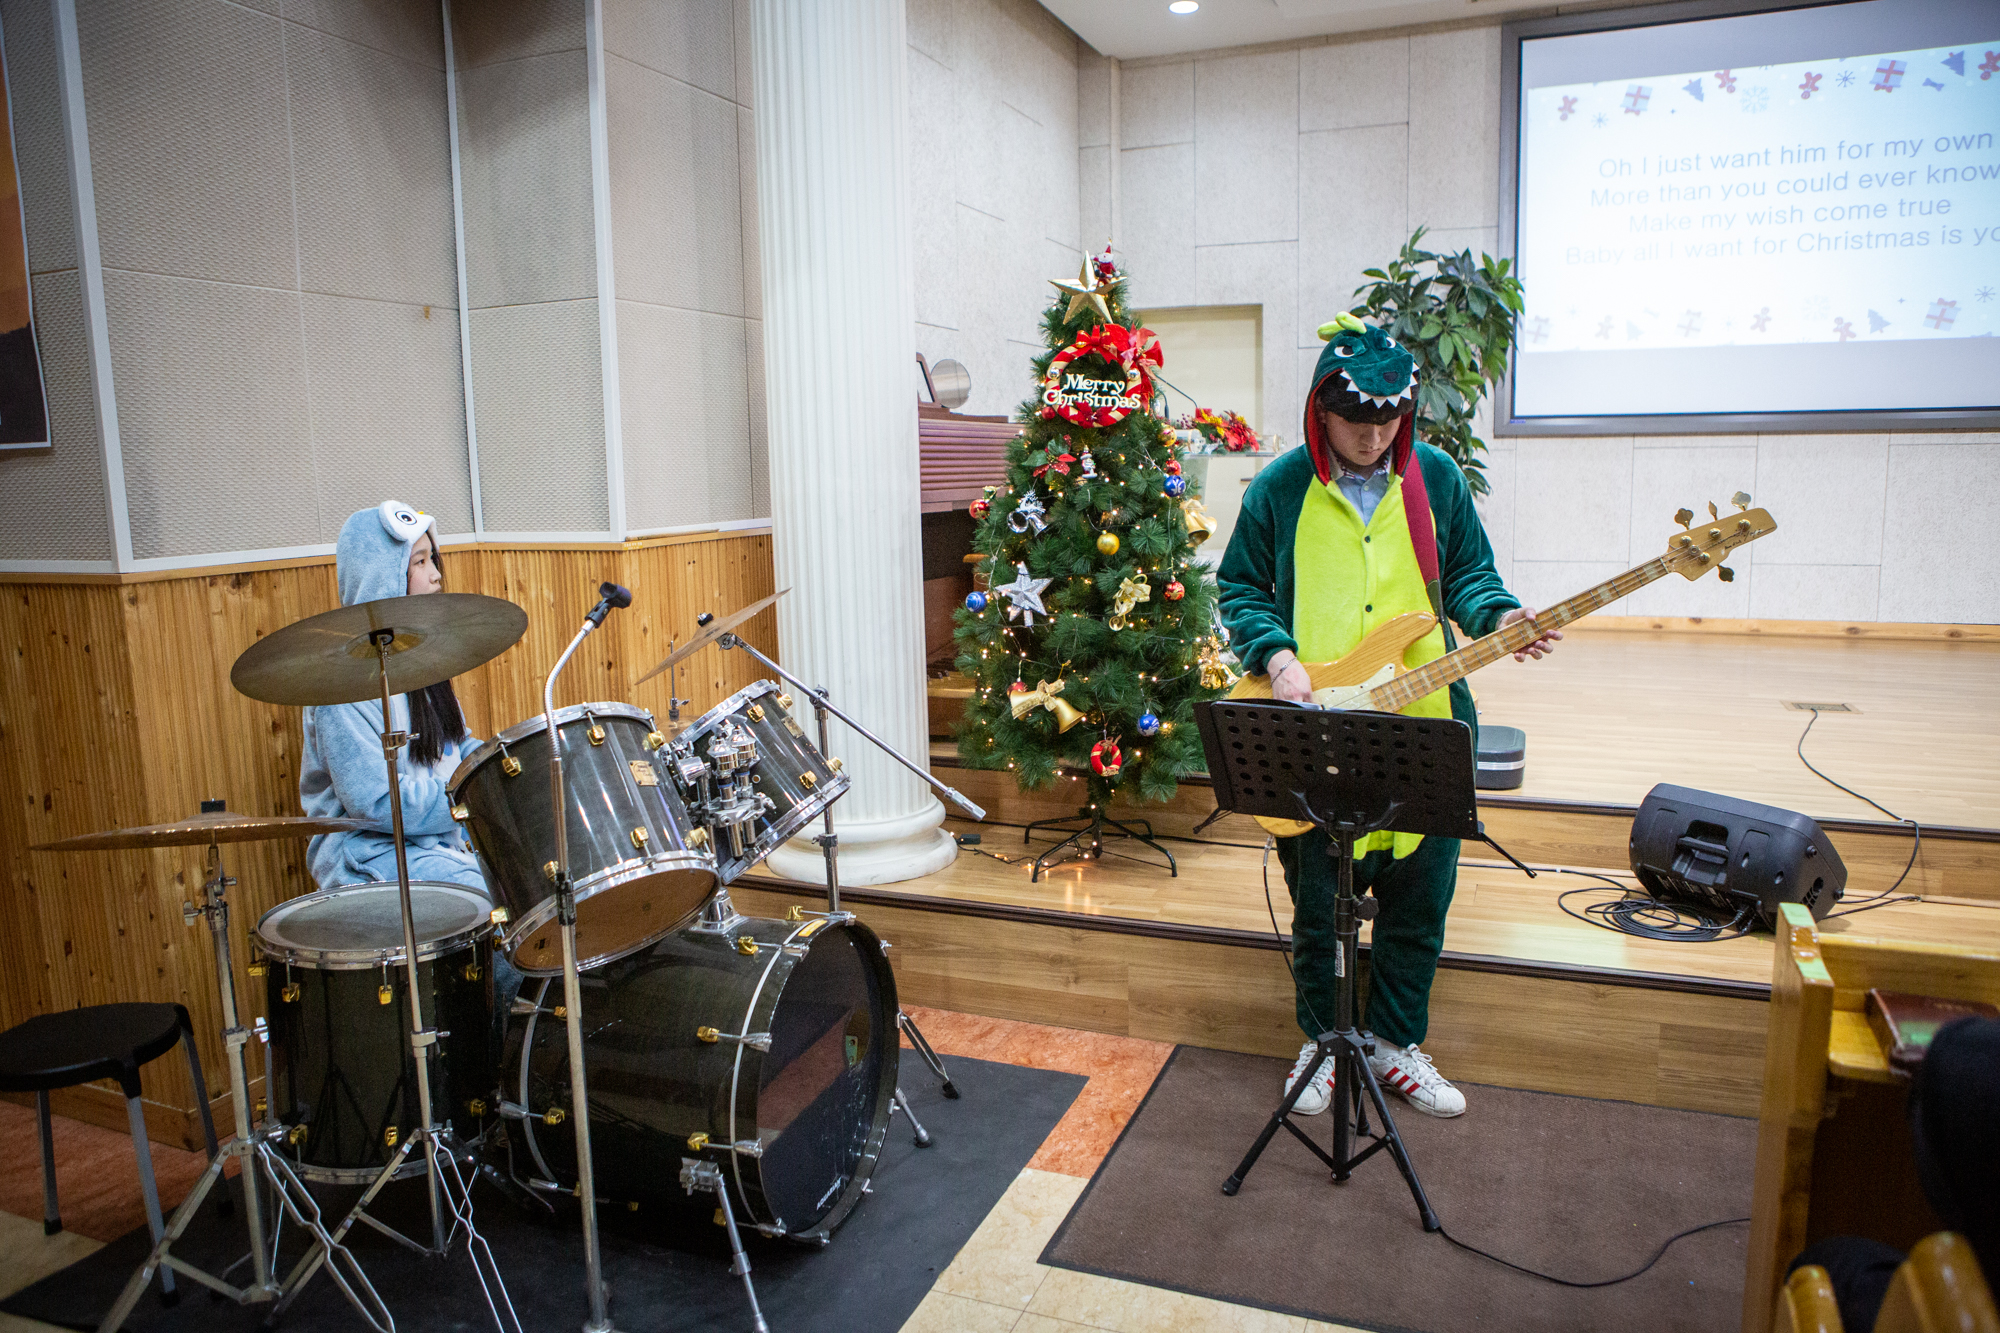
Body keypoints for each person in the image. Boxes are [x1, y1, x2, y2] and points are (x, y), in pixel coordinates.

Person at [1216, 316, 1559, 1119]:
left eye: (1390, 422)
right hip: (1315, 724)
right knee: (1317, 905)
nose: (1373, 439)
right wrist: (1277, 657)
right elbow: (1240, 587)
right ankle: (1321, 1041)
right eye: (1355, 423)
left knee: (1419, 901)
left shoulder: (1436, 478)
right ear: (1321, 410)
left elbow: (1469, 576)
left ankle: (1396, 1043)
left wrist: (1500, 615)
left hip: (1426, 723)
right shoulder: (1278, 487)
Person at [300, 501, 486, 894]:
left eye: (432, 559)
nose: (436, 575)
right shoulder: (342, 687)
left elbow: (455, 749)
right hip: (366, 855)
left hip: (435, 845)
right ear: (382, 577)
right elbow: (376, 802)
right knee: (486, 894)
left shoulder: (424, 661)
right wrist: (474, 795)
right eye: (419, 562)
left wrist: (500, 767)